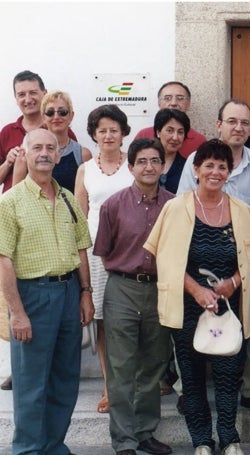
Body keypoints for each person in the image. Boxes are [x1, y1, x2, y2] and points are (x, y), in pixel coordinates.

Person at [144, 138, 250, 455]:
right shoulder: (175, 208)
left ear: (230, 171)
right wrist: (197, 290)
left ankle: (229, 438)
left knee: (228, 375)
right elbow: (165, 259)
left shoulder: (242, 211)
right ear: (195, 169)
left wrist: (233, 283)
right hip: (187, 305)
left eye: (222, 166)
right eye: (208, 165)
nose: (215, 171)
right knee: (193, 377)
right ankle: (201, 441)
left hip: (229, 306)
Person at [177, 99, 250, 415]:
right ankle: (187, 390)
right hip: (198, 259)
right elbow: (182, 212)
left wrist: (241, 270)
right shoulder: (197, 159)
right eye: (232, 121)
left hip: (244, 262)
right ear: (218, 124)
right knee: (190, 322)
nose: (239, 128)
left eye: (245, 123)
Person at [0, 128, 94, 455]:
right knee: (30, 385)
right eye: (36, 147)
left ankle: (54, 447)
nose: (44, 153)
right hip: (32, 297)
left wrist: (85, 293)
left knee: (65, 380)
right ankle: (28, 450)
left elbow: (82, 247)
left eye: (50, 148)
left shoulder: (69, 198)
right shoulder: (10, 202)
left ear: (58, 155)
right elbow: (3, 261)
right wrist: (18, 312)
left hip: (69, 293)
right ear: (24, 153)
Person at [93, 138, 174, 455]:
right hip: (122, 287)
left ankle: (144, 432)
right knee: (122, 366)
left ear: (163, 166)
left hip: (160, 289)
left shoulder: (174, 204)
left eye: (155, 160)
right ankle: (124, 440)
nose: (149, 166)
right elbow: (104, 251)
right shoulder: (113, 205)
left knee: (153, 364)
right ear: (131, 167)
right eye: (142, 161)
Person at [75, 104, 135, 414]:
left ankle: (131, 383)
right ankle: (110, 384)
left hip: (130, 253)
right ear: (94, 135)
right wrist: (80, 256)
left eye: (114, 129)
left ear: (123, 132)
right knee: (102, 321)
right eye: (102, 130)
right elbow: (80, 217)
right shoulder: (85, 169)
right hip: (96, 255)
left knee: (129, 319)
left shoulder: (134, 165)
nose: (108, 135)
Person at [1, 71, 76, 196]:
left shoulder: (61, 130)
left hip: (49, 205)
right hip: (12, 208)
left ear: (44, 93)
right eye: (21, 95)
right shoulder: (7, 132)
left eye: (33, 93)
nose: (28, 99)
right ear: (16, 98)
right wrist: (8, 163)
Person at [13, 90, 92, 192]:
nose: (56, 117)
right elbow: (15, 194)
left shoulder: (82, 154)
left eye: (62, 112)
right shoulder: (26, 152)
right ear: (43, 117)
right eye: (50, 112)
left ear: (71, 116)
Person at [135, 81, 207, 158]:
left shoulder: (199, 140)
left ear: (188, 104)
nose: (173, 103)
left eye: (180, 98)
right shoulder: (143, 135)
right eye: (167, 98)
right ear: (159, 103)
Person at [154, 108, 190, 194]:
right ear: (158, 132)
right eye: (170, 131)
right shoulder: (145, 161)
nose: (175, 137)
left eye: (180, 132)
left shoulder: (187, 167)